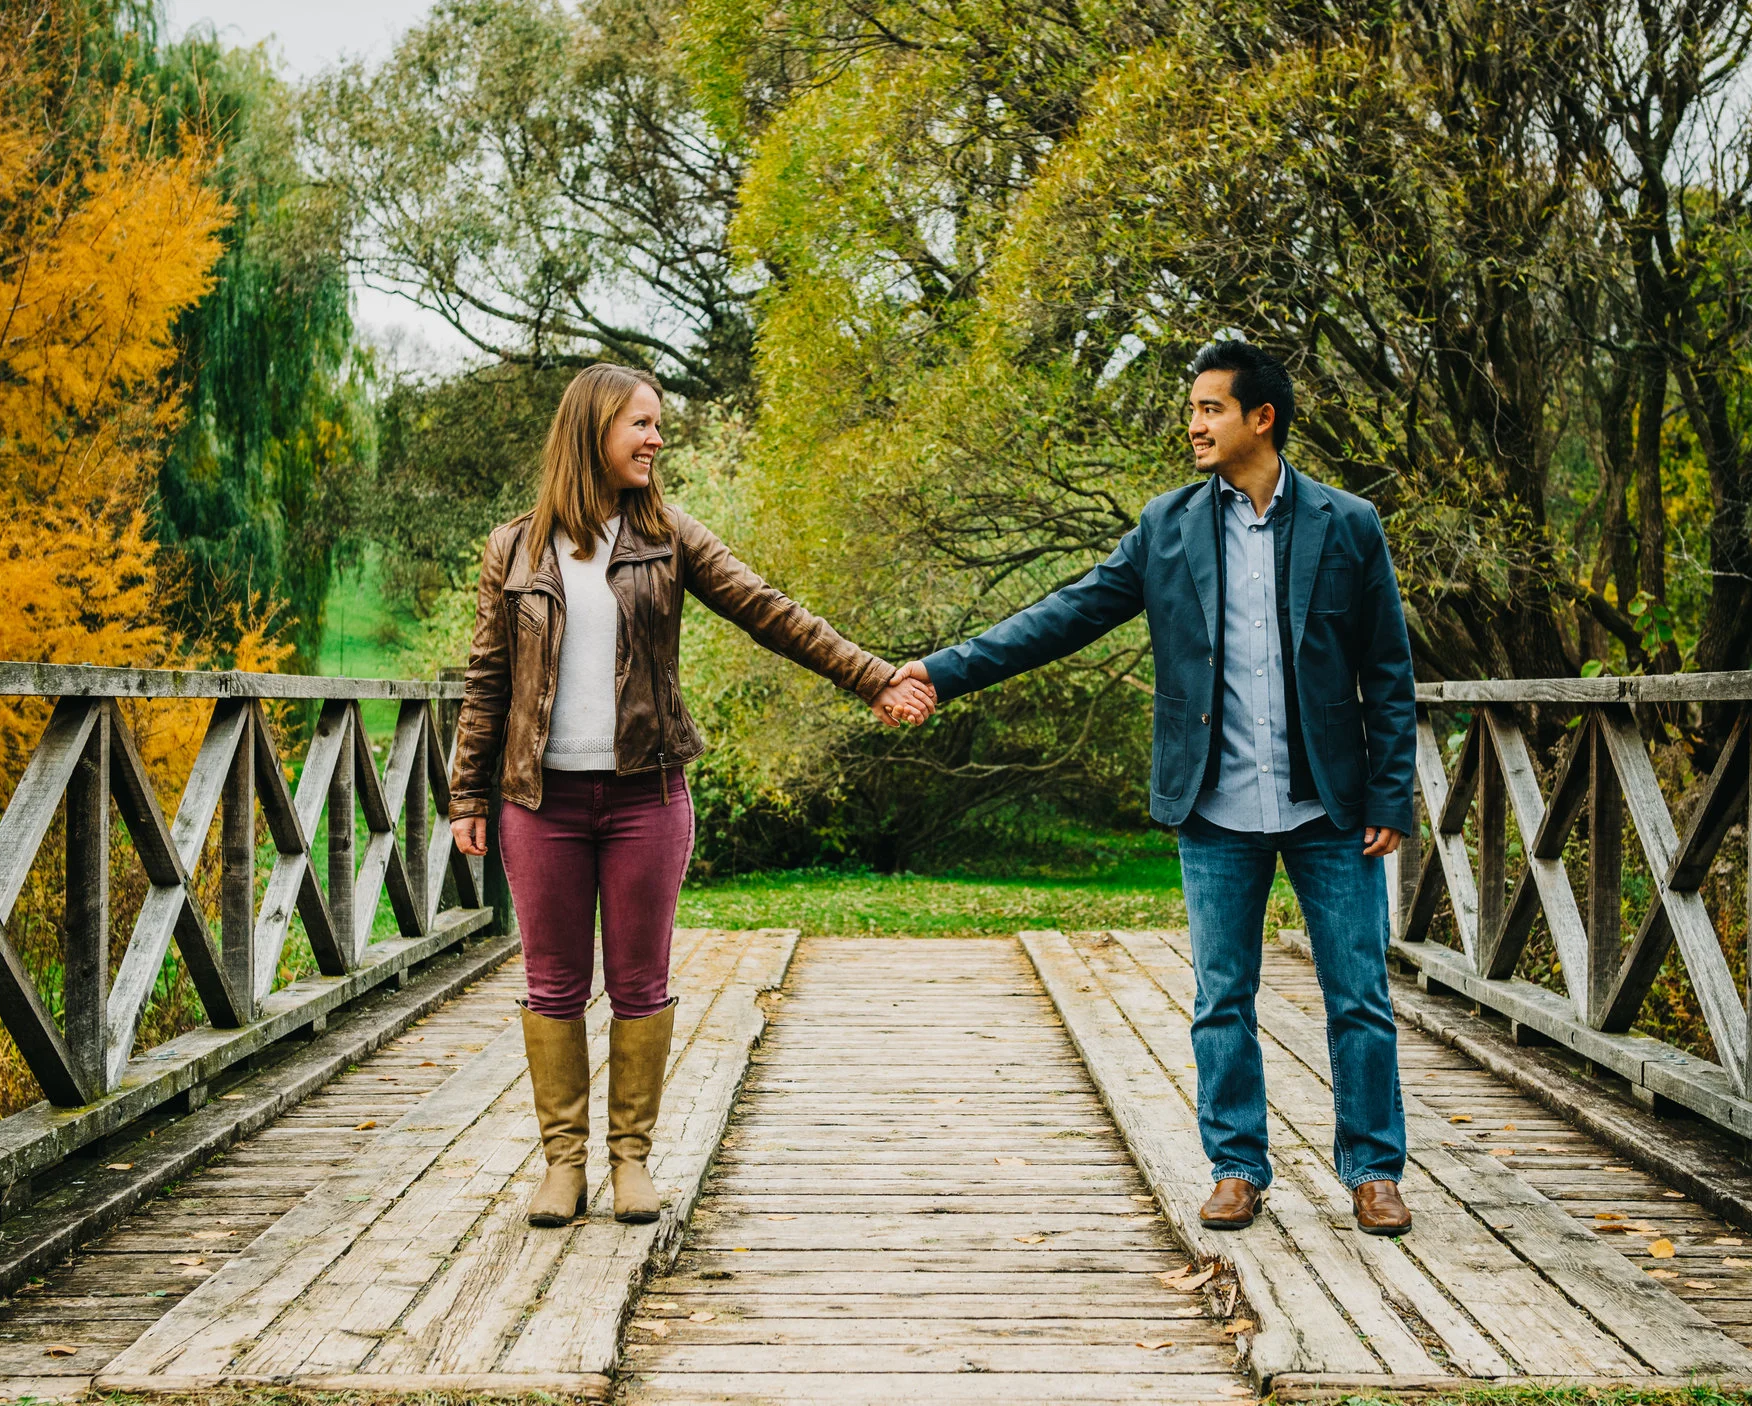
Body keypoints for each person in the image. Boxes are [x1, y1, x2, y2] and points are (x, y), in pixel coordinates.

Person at [892, 340, 1418, 1235]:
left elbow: (1389, 670)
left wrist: (1390, 794)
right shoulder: (1166, 527)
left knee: (1359, 997)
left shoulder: (1348, 524)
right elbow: (1066, 614)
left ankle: (1373, 1171)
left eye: (1211, 408)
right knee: (1221, 999)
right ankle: (1236, 1166)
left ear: (1262, 418)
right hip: (1212, 804)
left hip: (1329, 805)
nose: (1194, 425)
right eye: (1193, 409)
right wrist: (945, 672)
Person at [447, 363, 934, 1229]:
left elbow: (770, 611)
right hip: (540, 804)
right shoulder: (513, 547)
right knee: (552, 984)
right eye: (641, 423)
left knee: (641, 982)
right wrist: (467, 796)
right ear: (594, 428)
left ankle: (630, 1159)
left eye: (657, 423)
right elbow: (488, 679)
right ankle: (563, 1164)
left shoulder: (671, 537)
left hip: (646, 797)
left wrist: (871, 677)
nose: (656, 438)